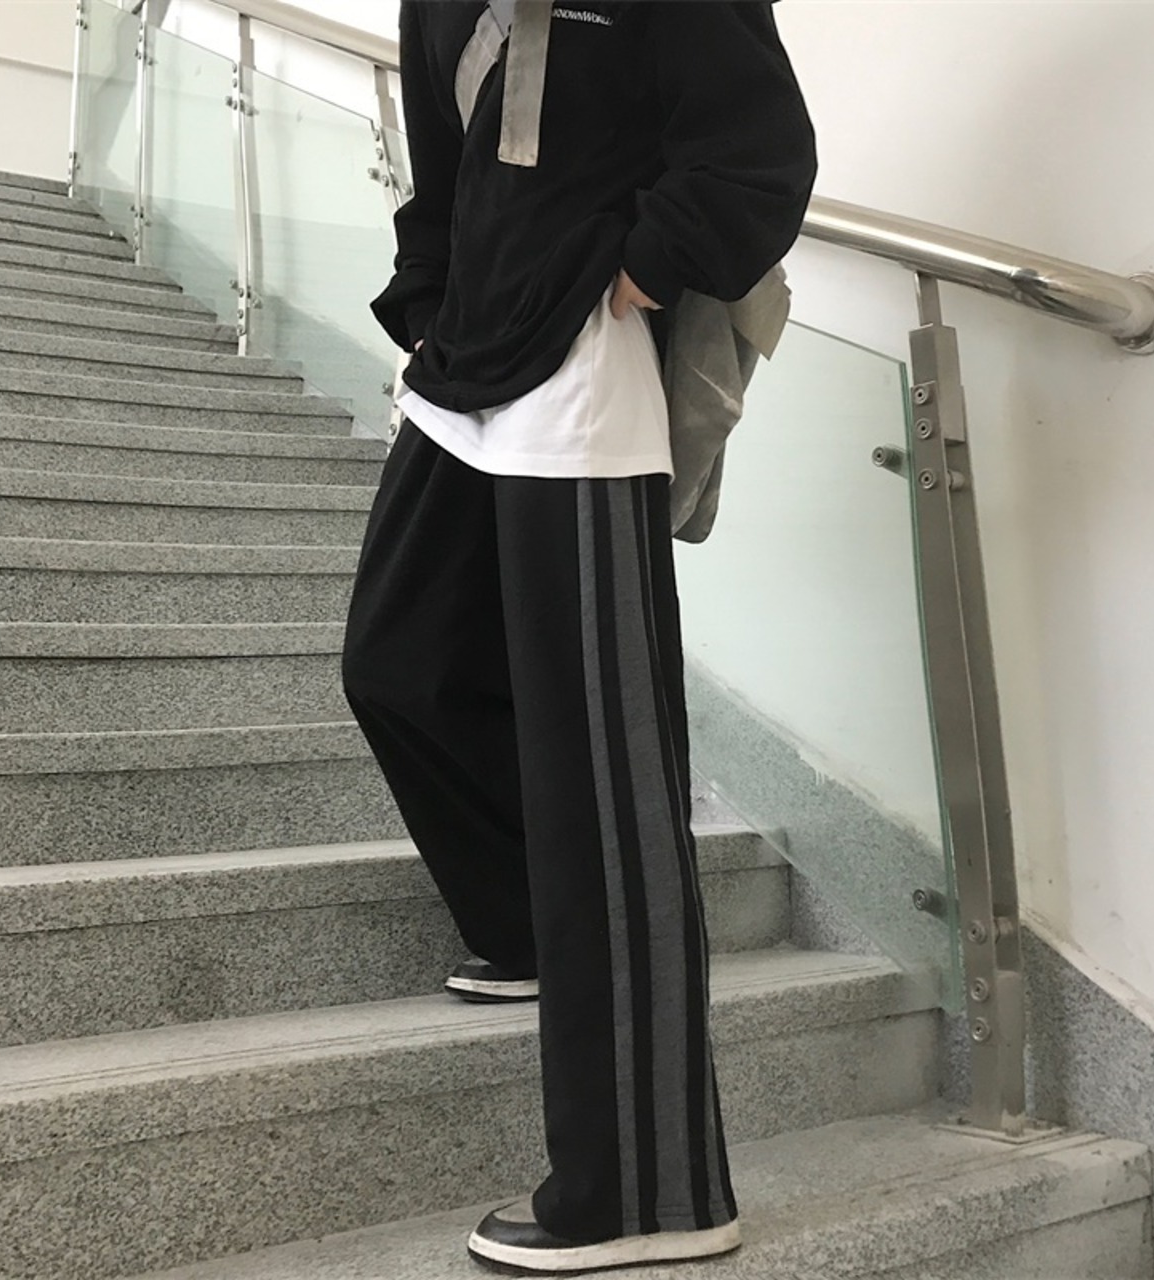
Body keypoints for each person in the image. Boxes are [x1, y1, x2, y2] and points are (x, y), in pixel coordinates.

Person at [342, 1, 816, 1272]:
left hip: (585, 371)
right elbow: (441, 167)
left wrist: (636, 272)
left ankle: (650, 1187)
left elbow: (758, 151)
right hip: (462, 359)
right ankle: (529, 926)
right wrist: (429, 299)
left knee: (602, 788)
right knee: (394, 661)